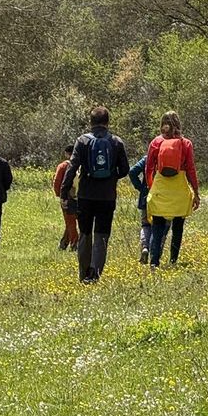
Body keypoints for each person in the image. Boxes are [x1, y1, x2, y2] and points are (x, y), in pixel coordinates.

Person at [60, 106, 131, 284]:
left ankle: (83, 273)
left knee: (85, 234)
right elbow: (125, 169)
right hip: (107, 196)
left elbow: (72, 167)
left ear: (90, 123)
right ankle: (94, 274)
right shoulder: (116, 142)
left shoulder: (82, 141)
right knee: (102, 235)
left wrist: (64, 191)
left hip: (85, 195)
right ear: (107, 122)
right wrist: (110, 176)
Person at [146, 112, 201, 268]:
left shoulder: (155, 142)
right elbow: (191, 170)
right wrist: (196, 193)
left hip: (161, 186)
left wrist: (152, 187)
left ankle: (154, 262)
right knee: (178, 226)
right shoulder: (186, 144)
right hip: (179, 188)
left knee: (157, 226)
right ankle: (173, 260)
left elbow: (149, 168)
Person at [52, 145, 79, 251]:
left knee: (70, 221)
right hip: (81, 196)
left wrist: (59, 195)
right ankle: (64, 243)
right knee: (78, 221)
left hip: (68, 196)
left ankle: (74, 243)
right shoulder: (81, 164)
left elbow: (57, 181)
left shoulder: (63, 166)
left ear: (67, 153)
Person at [128, 152, 152, 264]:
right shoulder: (169, 158)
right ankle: (155, 255)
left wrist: (141, 188)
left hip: (146, 195)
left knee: (145, 224)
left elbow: (132, 172)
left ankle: (145, 247)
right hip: (164, 197)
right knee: (161, 226)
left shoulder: (147, 158)